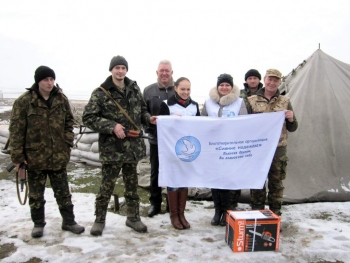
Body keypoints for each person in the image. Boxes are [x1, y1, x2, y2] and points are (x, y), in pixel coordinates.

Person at [82, 56, 157, 235]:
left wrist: (148, 118)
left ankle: (133, 218)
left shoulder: (134, 88)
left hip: (132, 148)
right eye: (117, 68)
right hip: (112, 149)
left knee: (132, 186)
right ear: (111, 70)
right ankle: (99, 220)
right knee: (106, 187)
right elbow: (88, 118)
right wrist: (112, 126)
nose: (120, 71)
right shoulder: (100, 92)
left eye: (123, 68)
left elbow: (142, 110)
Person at [9, 66, 85, 238]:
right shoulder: (25, 101)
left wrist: (67, 142)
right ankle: (38, 224)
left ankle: (69, 221)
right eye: (46, 80)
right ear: (38, 81)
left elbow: (69, 122)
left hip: (58, 155)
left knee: (63, 192)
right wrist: (18, 158)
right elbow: (16, 131)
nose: (50, 83)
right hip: (34, 157)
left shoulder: (61, 98)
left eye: (52, 79)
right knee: (36, 194)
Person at [248, 69, 298, 216]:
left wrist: (291, 119)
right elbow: (244, 125)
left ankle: (275, 215)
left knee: (276, 184)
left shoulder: (285, 101)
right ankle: (257, 214)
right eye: (270, 79)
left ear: (280, 82)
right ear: (264, 79)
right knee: (257, 182)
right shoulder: (252, 100)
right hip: (258, 148)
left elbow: (293, 128)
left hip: (278, 148)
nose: (272, 83)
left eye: (276, 80)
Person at [201, 73, 248, 226]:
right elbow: (201, 122)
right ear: (217, 86)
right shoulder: (208, 102)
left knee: (227, 181)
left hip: (230, 147)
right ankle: (217, 211)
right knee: (215, 179)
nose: (224, 87)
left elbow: (244, 122)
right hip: (213, 147)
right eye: (221, 85)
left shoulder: (239, 102)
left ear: (231, 86)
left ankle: (226, 212)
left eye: (227, 85)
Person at [158, 77, 200, 230]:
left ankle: (182, 214)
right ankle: (174, 215)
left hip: (188, 150)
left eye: (188, 89)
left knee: (184, 180)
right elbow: (160, 126)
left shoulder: (194, 106)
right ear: (175, 88)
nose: (185, 92)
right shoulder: (166, 105)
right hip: (171, 149)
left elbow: (200, 127)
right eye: (182, 89)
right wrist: (169, 120)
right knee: (173, 181)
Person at [143, 60, 175, 217]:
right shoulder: (149, 91)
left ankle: (172, 205)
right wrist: (149, 120)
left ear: (171, 73)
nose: (164, 73)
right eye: (161, 70)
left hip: (175, 141)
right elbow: (143, 112)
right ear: (157, 72)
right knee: (155, 172)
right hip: (156, 139)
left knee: (173, 172)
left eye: (167, 71)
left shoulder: (178, 89)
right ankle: (155, 204)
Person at [229, 69, 264, 209]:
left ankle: (257, 204)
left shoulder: (265, 94)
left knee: (256, 171)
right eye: (250, 78)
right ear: (246, 81)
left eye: (255, 78)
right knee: (237, 170)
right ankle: (232, 203)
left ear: (259, 80)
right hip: (241, 137)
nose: (253, 81)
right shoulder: (239, 95)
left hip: (259, 138)